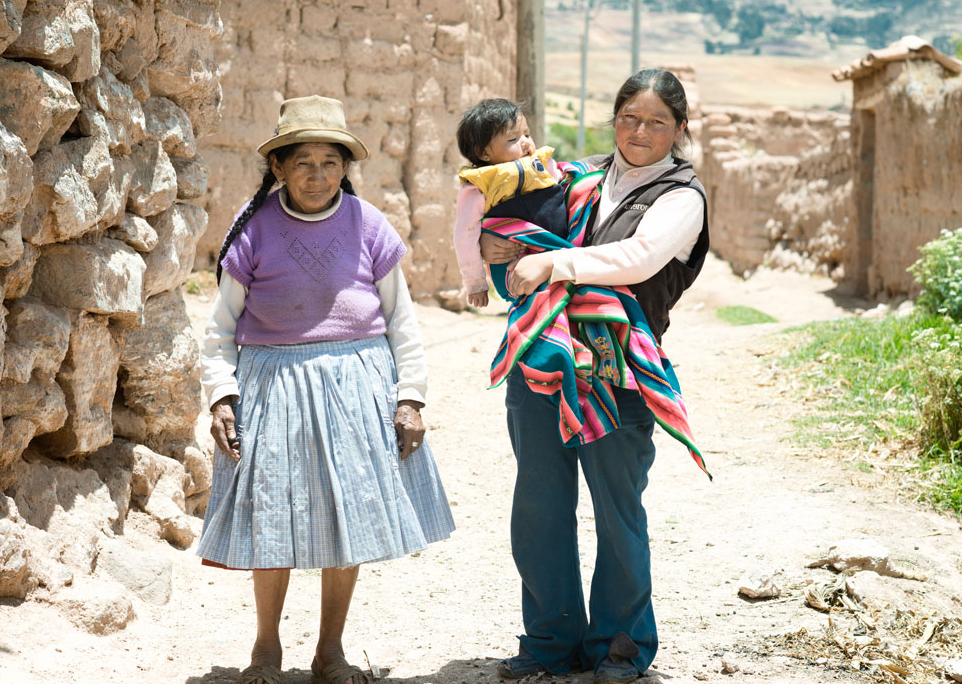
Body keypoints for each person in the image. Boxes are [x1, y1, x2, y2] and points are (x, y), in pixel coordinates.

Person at [197, 95, 455, 684]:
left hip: (356, 386)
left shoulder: (369, 226)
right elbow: (219, 330)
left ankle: (330, 653)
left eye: (331, 162)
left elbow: (402, 319)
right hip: (274, 385)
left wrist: (409, 396)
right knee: (274, 519)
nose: (318, 175)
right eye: (303, 162)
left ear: (346, 168)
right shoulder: (255, 230)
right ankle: (266, 650)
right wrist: (221, 396)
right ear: (279, 169)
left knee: (348, 520)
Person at [480, 69, 710, 683]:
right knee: (540, 505)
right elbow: (512, 225)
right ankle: (550, 643)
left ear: (679, 130)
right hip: (544, 359)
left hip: (621, 371)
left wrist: (553, 261)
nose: (640, 131)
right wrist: (501, 248)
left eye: (657, 122)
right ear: (613, 120)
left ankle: (621, 646)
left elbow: (638, 258)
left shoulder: (681, 198)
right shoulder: (574, 177)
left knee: (617, 510)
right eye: (630, 117)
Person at [452, 98, 564, 307]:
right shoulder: (479, 187)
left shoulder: (543, 164)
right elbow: (465, 234)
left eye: (527, 134)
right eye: (513, 139)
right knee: (535, 306)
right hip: (511, 266)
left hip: (555, 252)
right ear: (484, 153)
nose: (526, 142)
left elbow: (565, 191)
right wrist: (476, 282)